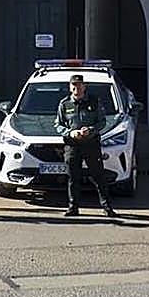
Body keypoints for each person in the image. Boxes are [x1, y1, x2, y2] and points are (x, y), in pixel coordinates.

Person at [54, 73, 117, 218]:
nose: (77, 88)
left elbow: (102, 122)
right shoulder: (64, 104)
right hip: (72, 146)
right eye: (74, 85)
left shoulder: (94, 102)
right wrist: (70, 132)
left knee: (98, 176)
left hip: (91, 144)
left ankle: (107, 207)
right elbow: (58, 124)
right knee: (73, 177)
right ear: (70, 87)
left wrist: (91, 130)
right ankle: (73, 207)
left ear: (84, 86)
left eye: (79, 85)